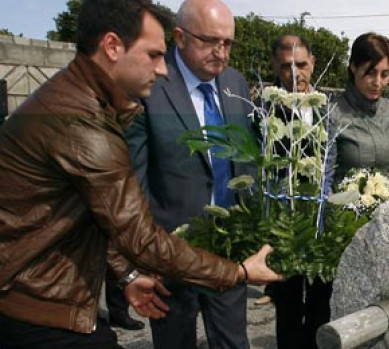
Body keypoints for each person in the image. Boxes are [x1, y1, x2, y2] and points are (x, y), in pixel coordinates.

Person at [0, 1, 280, 347]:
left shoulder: (77, 100)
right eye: (152, 55)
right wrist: (238, 272)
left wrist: (124, 272)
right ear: (113, 46)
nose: (162, 69)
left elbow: (96, 210)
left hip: (43, 298)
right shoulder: (83, 123)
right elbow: (136, 228)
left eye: (228, 43)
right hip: (40, 308)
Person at [125, 1, 258, 347]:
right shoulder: (149, 84)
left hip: (229, 251)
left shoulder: (235, 84)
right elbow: (132, 181)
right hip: (169, 255)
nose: (221, 52)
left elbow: (245, 162)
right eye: (210, 41)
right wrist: (143, 257)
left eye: (228, 43)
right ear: (180, 37)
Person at [262, 34, 335, 349]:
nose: (295, 73)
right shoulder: (263, 110)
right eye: (286, 66)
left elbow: (333, 160)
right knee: (288, 307)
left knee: (322, 304)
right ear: (275, 67)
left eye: (301, 64)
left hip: (321, 225)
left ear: (313, 63)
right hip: (283, 227)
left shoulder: (329, 110)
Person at [330, 32, 389, 193]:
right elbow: (324, 177)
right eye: (370, 73)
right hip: (342, 213)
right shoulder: (331, 112)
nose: (378, 82)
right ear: (353, 67)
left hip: (388, 213)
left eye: (385, 74)